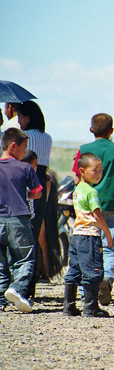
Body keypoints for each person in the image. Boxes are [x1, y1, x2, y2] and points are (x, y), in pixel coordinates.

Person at [71, 113, 114, 306]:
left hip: (86, 207)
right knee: (108, 247)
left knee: (86, 248)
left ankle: (86, 292)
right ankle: (106, 279)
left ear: (91, 130)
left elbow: (76, 180)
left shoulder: (84, 150)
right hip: (112, 204)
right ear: (112, 131)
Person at [63, 153, 113, 317]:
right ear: (82, 171)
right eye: (95, 170)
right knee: (93, 270)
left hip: (76, 235)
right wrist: (107, 232)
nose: (99, 174)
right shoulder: (91, 192)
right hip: (90, 236)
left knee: (75, 270)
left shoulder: (78, 190)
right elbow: (97, 214)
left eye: (101, 170)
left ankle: (68, 307)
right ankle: (91, 308)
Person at [12, 101, 53, 295]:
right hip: (42, 184)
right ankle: (31, 285)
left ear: (28, 118)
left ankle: (20, 283)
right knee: (35, 234)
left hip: (26, 183)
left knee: (21, 235)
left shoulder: (24, 137)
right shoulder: (48, 138)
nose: (18, 121)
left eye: (20, 116)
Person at [0, 128, 42, 312]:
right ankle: (17, 288)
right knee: (25, 258)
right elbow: (37, 193)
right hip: (19, 218)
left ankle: (1, 300)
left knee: (1, 262)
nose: (25, 152)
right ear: (13, 146)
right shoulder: (24, 167)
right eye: (24, 148)